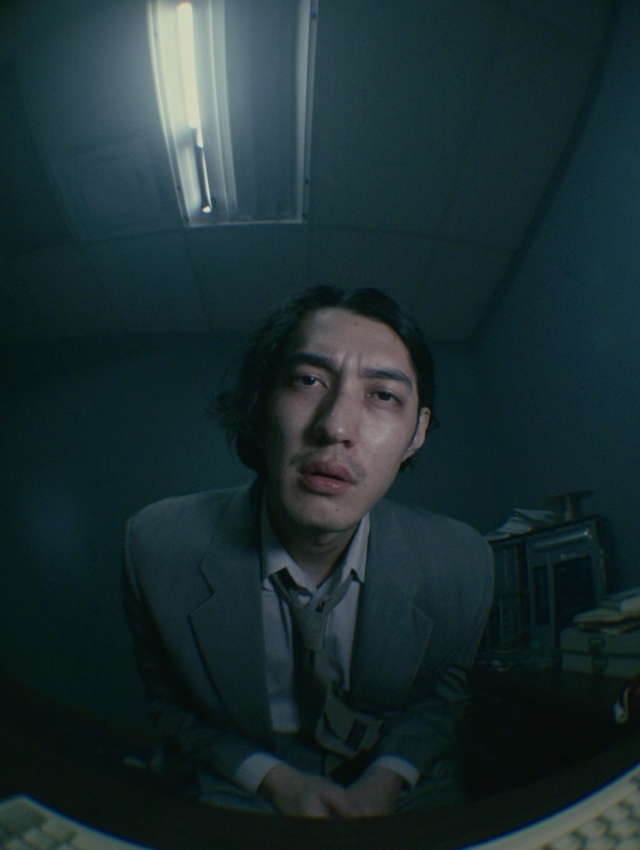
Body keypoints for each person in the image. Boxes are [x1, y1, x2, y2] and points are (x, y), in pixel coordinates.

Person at [122, 286, 493, 817]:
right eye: (308, 380)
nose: (335, 427)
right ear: (259, 403)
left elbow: (443, 700)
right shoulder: (156, 547)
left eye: (383, 395)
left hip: (402, 778)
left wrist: (388, 777)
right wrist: (274, 781)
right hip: (241, 777)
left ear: (417, 434)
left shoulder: (463, 561)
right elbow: (171, 706)